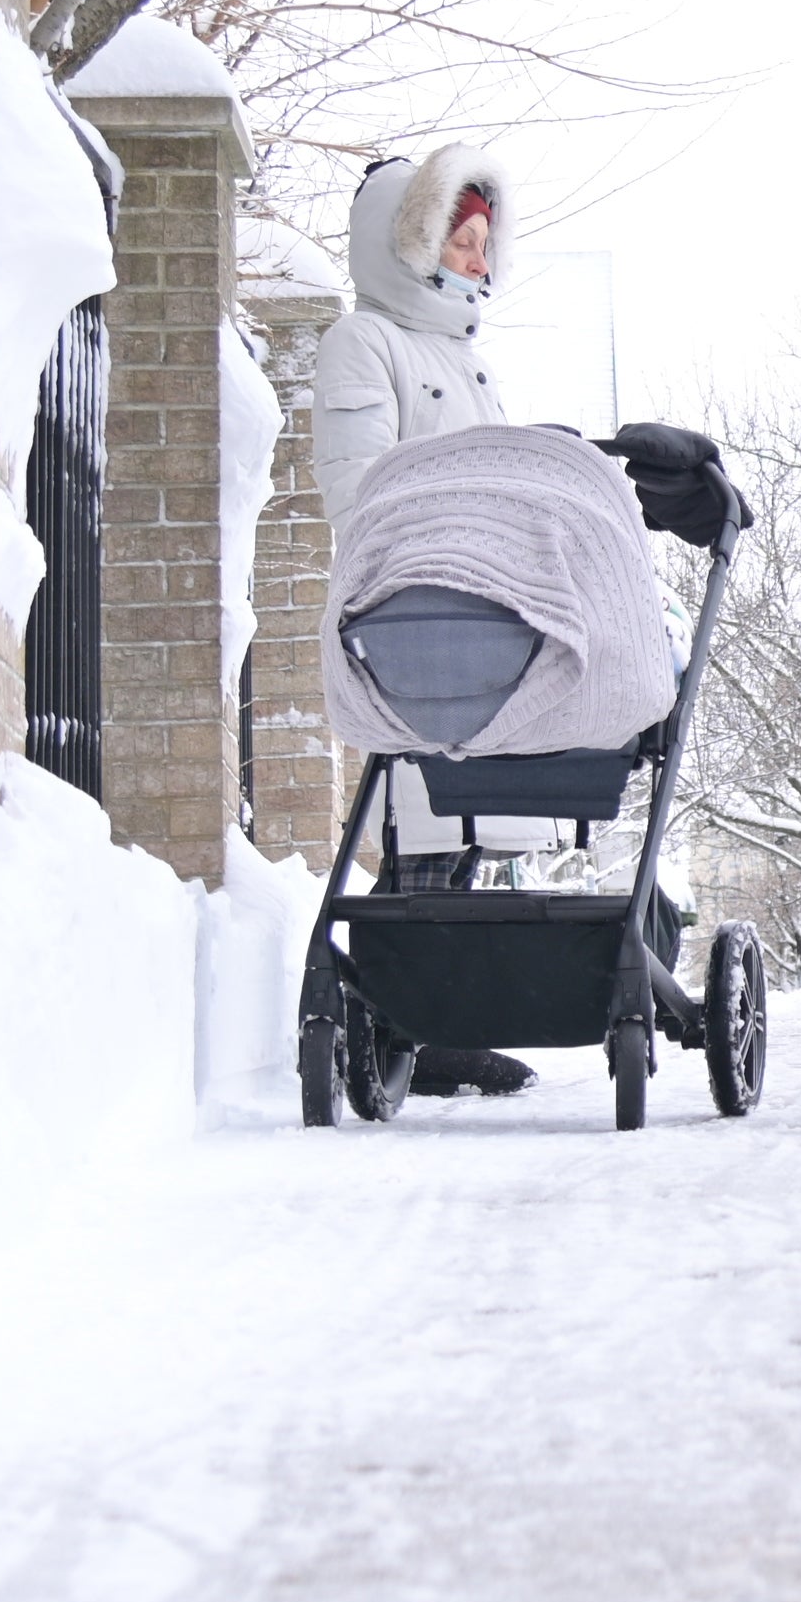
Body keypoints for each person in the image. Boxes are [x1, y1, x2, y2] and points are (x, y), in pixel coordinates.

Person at [313, 142, 537, 1098]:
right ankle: (404, 1017)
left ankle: (435, 1012)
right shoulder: (365, 343)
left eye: (489, 242)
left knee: (465, 821)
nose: (482, 262)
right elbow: (361, 485)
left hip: (483, 600)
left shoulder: (466, 359)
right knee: (418, 820)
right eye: (465, 239)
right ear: (407, 245)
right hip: (415, 600)